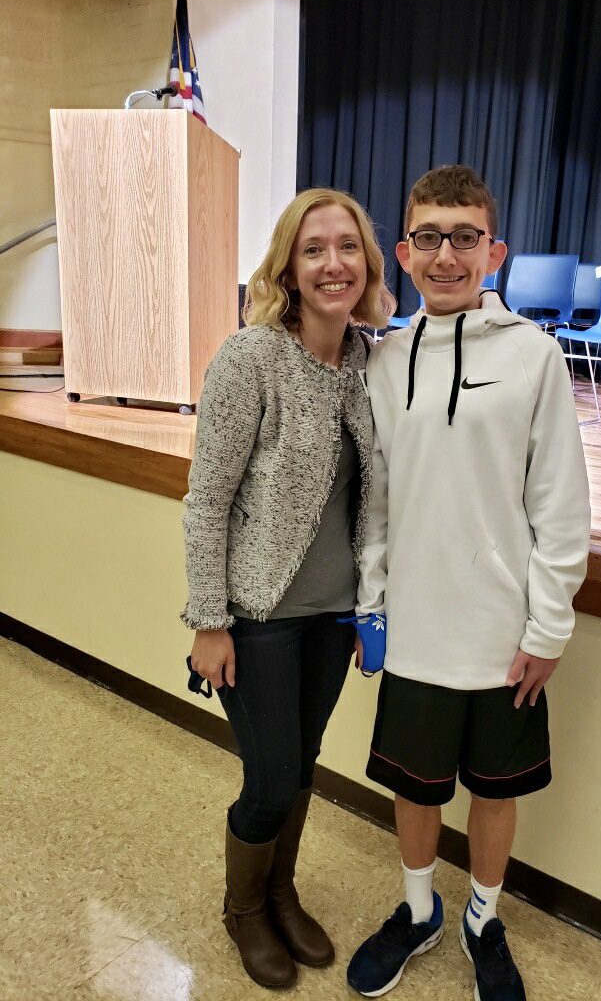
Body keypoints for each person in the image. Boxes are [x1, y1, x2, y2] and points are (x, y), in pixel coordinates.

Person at [346, 165, 591, 1001]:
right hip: (416, 627)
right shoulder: (384, 361)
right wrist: (371, 605)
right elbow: (375, 501)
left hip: (503, 634)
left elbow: (561, 505)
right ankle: (419, 911)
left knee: (494, 790)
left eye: (464, 237)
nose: (446, 254)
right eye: (428, 237)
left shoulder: (535, 356)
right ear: (404, 253)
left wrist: (548, 628)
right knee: (414, 788)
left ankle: (484, 919)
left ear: (495, 252)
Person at [182, 187, 394, 990]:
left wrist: (372, 607)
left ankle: (281, 892)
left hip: (333, 617)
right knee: (270, 779)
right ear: (288, 268)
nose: (333, 264)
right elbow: (207, 500)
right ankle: (243, 909)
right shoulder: (252, 358)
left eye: (347, 247)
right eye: (313, 249)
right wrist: (209, 621)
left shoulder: (371, 362)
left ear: (367, 264)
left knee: (301, 765)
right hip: (258, 614)